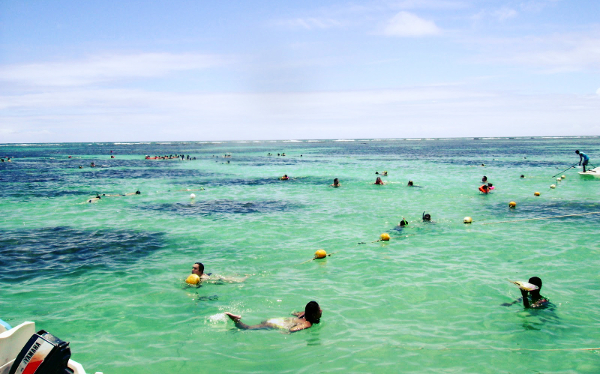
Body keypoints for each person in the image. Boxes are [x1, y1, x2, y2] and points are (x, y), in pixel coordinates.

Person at [225, 301, 321, 333]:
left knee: (253, 327)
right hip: (277, 325)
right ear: (313, 314)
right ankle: (236, 320)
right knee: (247, 328)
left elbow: (293, 313)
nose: (321, 311)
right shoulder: (308, 323)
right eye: (319, 310)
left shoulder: (303, 313)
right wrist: (288, 333)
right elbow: (293, 329)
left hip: (277, 320)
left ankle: (236, 319)